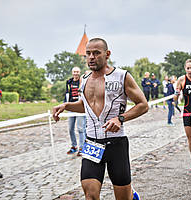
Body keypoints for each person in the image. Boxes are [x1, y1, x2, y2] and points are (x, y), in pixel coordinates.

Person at [53, 38, 148, 200]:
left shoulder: (122, 76)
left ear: (107, 54)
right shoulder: (84, 78)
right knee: (90, 195)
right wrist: (67, 105)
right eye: (88, 53)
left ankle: (132, 195)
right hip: (91, 143)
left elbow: (143, 105)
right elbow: (85, 105)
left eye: (96, 53)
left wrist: (120, 119)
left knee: (123, 198)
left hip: (116, 144)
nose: (91, 57)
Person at [174, 59, 191, 173]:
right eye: (188, 68)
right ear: (185, 68)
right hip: (187, 112)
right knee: (190, 140)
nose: (190, 70)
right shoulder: (182, 80)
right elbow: (176, 96)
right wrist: (176, 97)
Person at [64, 66, 85, 156]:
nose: (75, 73)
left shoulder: (82, 81)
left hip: (80, 107)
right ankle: (74, 146)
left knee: (81, 129)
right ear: (72, 73)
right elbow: (67, 93)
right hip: (71, 107)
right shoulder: (69, 82)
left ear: (79, 73)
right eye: (74, 72)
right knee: (70, 129)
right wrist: (65, 104)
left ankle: (82, 148)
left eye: (77, 72)